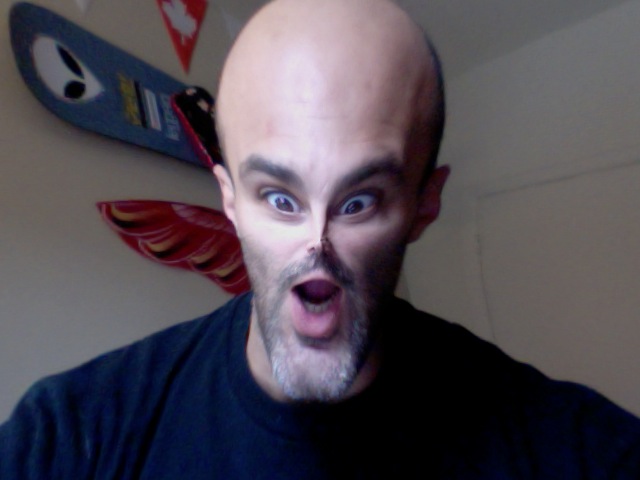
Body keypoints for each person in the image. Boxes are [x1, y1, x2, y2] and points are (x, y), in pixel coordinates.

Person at [1, 0, 639, 478]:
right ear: (230, 201)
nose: (317, 249)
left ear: (424, 205)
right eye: (280, 199)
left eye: (359, 202)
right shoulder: (74, 434)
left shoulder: (557, 442)